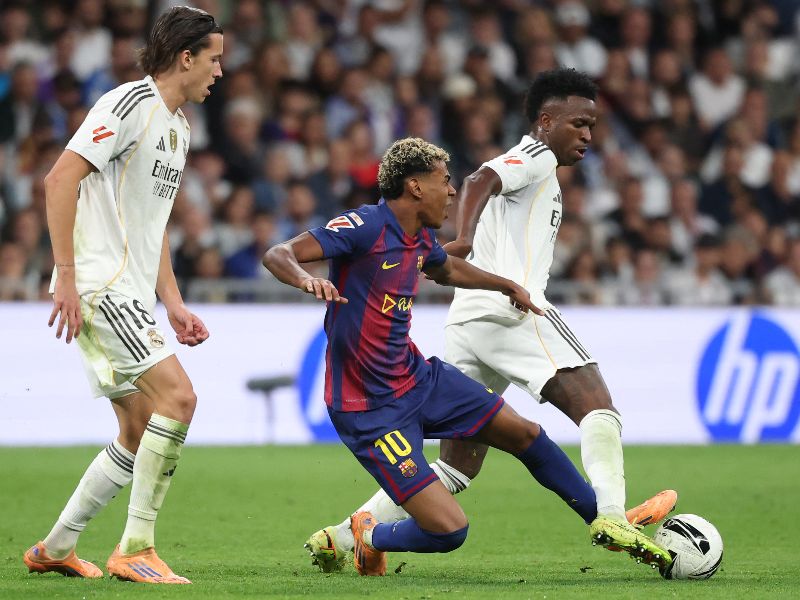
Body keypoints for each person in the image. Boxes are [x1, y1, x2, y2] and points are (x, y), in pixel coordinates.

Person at [305, 69, 676, 572]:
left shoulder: (541, 172)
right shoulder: (536, 155)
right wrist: (462, 238)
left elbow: (472, 207)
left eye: (593, 125)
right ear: (546, 121)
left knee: (459, 466)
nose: (588, 134)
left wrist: (466, 261)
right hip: (513, 314)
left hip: (471, 317)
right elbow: (482, 178)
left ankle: (348, 536)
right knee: (597, 406)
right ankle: (611, 515)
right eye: (579, 123)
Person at [23, 7, 223, 584]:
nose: (219, 72)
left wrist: (175, 302)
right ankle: (135, 548)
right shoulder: (128, 105)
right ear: (185, 58)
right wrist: (65, 273)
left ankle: (56, 547)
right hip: (100, 286)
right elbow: (60, 178)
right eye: (213, 60)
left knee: (137, 430)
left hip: (129, 292)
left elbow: (150, 225)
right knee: (178, 399)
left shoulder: (179, 128)